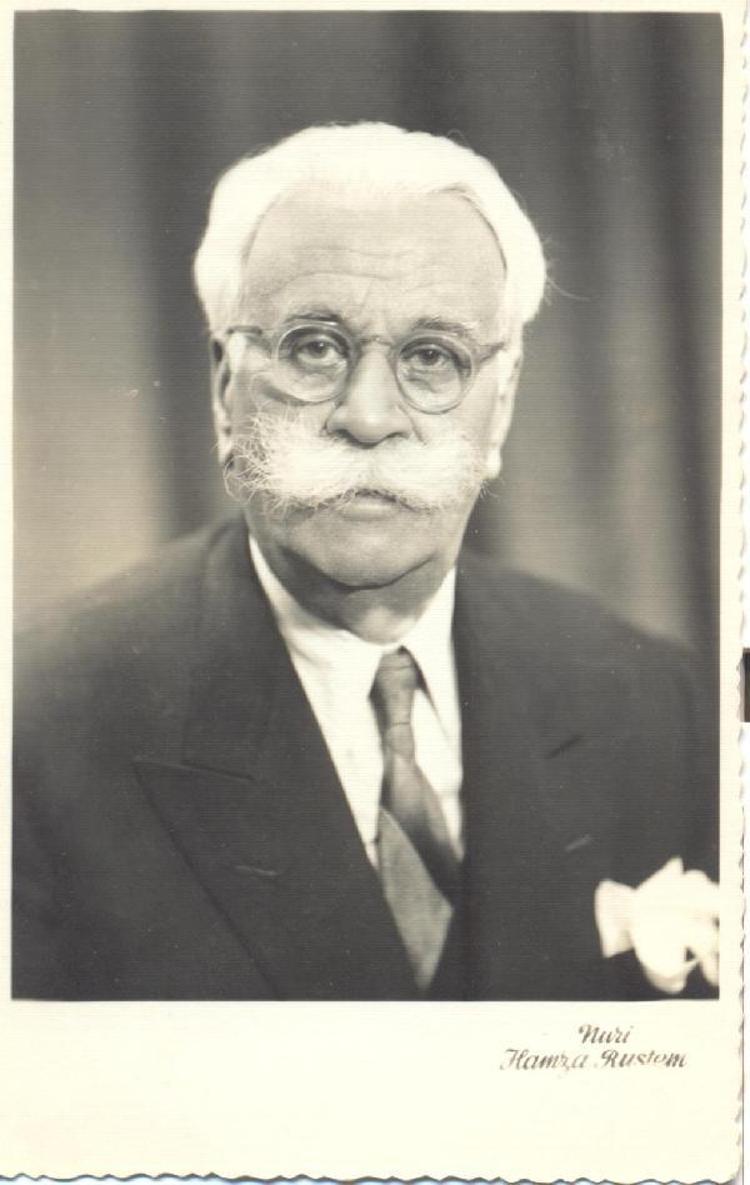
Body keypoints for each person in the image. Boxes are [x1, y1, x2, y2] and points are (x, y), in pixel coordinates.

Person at [13, 123, 718, 1001]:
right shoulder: (36, 727)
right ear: (226, 391)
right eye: (314, 348)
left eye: (432, 357)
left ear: (500, 406)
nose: (370, 416)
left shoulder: (655, 703)